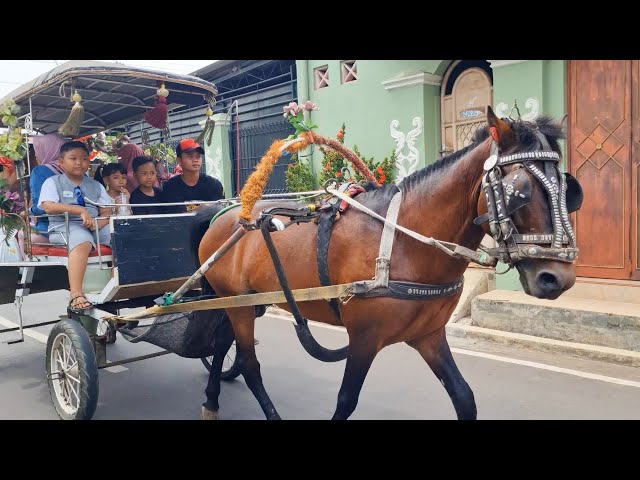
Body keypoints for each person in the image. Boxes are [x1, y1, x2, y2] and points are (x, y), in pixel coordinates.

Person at [38, 141, 113, 312]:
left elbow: (107, 211)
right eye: (73, 158)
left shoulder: (96, 185)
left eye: (84, 159)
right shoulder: (53, 182)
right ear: (61, 162)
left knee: (119, 236)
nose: (79, 162)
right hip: (64, 226)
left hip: (94, 225)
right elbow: (48, 206)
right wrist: (78, 210)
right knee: (82, 240)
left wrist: (97, 224)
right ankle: (76, 293)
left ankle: (122, 282)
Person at [161, 138, 224, 213]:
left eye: (198, 156)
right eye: (190, 156)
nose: (195, 160)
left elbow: (220, 213)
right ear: (179, 160)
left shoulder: (214, 185)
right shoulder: (171, 187)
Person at [29, 133, 67, 235]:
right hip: (83, 224)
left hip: (50, 228)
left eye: (37, 150)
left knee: (18, 236)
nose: (36, 155)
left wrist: (28, 211)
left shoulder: (39, 171)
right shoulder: (76, 170)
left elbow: (39, 207)